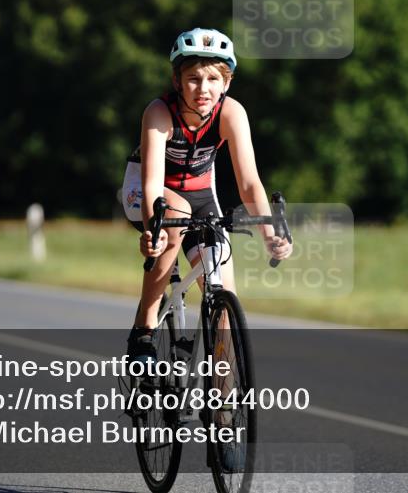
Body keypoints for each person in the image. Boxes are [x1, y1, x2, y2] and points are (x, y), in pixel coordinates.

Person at [121, 28, 293, 363]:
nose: (204, 89)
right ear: (177, 81)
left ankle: (224, 404)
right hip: (145, 192)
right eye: (194, 78)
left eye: (213, 79)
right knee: (175, 217)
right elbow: (154, 183)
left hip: (201, 195)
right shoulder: (159, 113)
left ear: (226, 83)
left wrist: (269, 233)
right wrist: (151, 232)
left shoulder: (231, 113)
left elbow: (249, 184)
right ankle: (143, 331)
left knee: (224, 293)